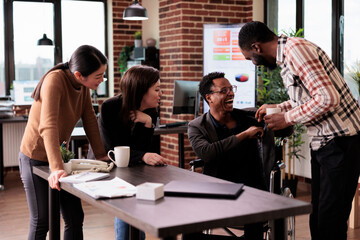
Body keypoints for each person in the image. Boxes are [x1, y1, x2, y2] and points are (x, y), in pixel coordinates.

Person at [238, 21, 360, 240]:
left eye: (249, 58)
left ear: (256, 47)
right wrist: (281, 107)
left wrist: (286, 118)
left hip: (340, 141)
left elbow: (328, 98)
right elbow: (307, 95)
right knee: (319, 217)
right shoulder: (288, 54)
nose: (253, 64)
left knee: (330, 220)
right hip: (324, 143)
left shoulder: (296, 51)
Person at [19, 45, 109, 240]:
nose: (102, 80)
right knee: (42, 220)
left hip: (60, 158)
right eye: (99, 76)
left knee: (75, 217)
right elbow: (48, 126)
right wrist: (56, 168)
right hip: (34, 157)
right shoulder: (54, 81)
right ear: (79, 75)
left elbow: (90, 119)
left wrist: (101, 154)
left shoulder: (83, 86)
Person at [88, 65, 167, 240]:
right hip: (107, 167)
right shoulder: (110, 107)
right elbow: (113, 149)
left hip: (134, 168)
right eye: (157, 89)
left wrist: (146, 122)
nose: (160, 94)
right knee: (129, 206)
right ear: (140, 91)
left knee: (138, 212)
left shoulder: (151, 112)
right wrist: (142, 155)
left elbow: (146, 148)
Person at [187, 72, 266, 240]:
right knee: (188, 226)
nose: (231, 93)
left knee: (256, 220)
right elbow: (207, 153)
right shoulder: (197, 126)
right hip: (216, 189)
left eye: (231, 89)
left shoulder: (248, 117)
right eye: (224, 91)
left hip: (251, 189)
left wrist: (276, 112)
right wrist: (243, 135)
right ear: (209, 98)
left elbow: (286, 130)